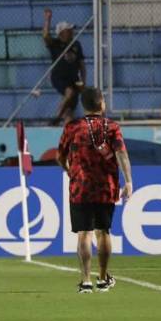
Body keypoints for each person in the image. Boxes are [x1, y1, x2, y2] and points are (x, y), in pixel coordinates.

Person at [56, 87, 133, 293]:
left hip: (80, 187)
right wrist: (128, 181)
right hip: (106, 188)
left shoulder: (72, 127)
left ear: (83, 105)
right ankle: (103, 277)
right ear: (102, 104)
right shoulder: (112, 127)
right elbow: (122, 154)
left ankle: (85, 280)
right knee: (104, 232)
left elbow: (59, 156)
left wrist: (69, 170)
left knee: (84, 233)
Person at [42, 9, 85, 125]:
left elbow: (82, 65)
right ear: (61, 33)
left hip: (74, 78)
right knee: (69, 92)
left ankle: (68, 132)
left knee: (70, 109)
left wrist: (83, 81)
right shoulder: (56, 44)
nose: (71, 32)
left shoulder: (76, 45)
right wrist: (47, 19)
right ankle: (56, 117)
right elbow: (45, 36)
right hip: (59, 77)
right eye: (68, 30)